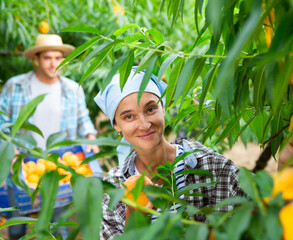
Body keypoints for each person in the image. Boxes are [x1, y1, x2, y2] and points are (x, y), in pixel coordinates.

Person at [94, 68, 247, 239]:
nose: (144, 125)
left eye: (150, 109)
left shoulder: (211, 167)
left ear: (163, 107)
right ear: (116, 125)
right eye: (129, 117)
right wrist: (135, 215)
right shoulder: (113, 187)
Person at [0, 34, 99, 239]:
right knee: (17, 223)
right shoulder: (15, 86)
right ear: (36, 59)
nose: (53, 63)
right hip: (23, 163)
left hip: (60, 163)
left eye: (58, 57)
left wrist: (90, 136)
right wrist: (9, 149)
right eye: (47, 58)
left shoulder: (73, 89)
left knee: (58, 224)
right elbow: (2, 121)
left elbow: (83, 120)